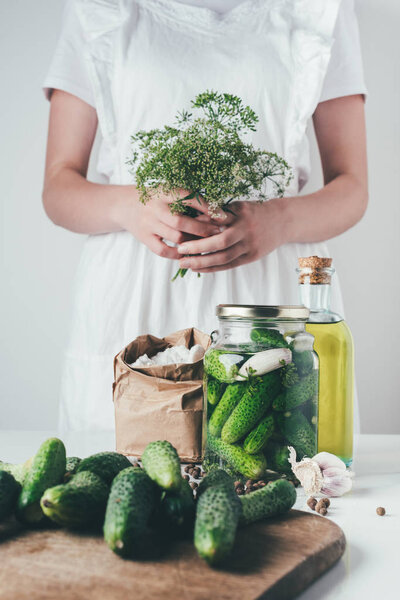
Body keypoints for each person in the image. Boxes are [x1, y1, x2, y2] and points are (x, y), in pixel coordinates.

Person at [42, 0, 368, 433]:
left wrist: (279, 220)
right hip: (135, 297)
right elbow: (58, 188)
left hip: (268, 296)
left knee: (286, 476)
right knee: (122, 480)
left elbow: (353, 187)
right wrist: (129, 206)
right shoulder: (100, 9)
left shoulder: (319, 9)